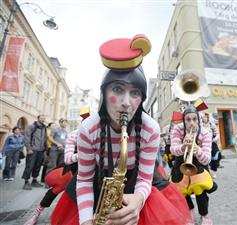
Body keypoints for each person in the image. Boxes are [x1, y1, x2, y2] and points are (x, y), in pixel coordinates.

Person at [67, 35, 192, 225]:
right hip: (97, 184)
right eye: (117, 89)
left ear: (141, 99)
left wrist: (139, 200)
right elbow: (84, 179)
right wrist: (85, 221)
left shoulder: (150, 128)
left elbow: (144, 178)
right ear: (104, 93)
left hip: (138, 182)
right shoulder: (88, 128)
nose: (126, 103)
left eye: (135, 93)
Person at [23, 112, 88, 225]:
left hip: (87, 170)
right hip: (71, 168)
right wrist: (83, 154)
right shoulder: (74, 135)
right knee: (55, 191)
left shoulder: (96, 135)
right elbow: (68, 159)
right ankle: (36, 215)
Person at [171, 105, 217, 225]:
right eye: (188, 119)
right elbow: (173, 150)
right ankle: (188, 211)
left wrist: (197, 150)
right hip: (181, 162)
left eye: (194, 119)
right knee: (180, 189)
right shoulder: (177, 129)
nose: (191, 123)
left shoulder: (206, 133)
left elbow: (206, 160)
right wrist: (183, 146)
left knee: (200, 189)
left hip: (198, 163)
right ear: (183, 120)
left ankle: (204, 215)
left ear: (198, 119)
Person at [22, 115, 48, 190]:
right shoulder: (32, 126)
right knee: (29, 166)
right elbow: (27, 137)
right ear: (38, 118)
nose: (43, 120)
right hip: (32, 150)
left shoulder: (44, 128)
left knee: (38, 166)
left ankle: (34, 180)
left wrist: (45, 148)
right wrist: (29, 148)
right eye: (41, 118)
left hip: (41, 150)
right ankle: (26, 182)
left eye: (44, 118)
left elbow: (45, 138)